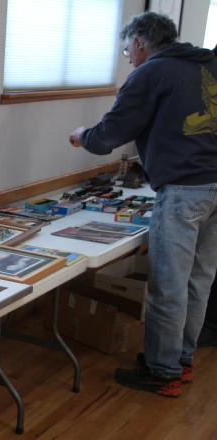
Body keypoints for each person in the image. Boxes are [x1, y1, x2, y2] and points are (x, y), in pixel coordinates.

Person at [69, 12, 217, 397]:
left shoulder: (151, 72)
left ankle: (162, 372)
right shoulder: (207, 64)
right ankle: (181, 360)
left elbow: (111, 133)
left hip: (183, 190)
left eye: (126, 51)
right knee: (198, 281)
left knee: (169, 285)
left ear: (139, 43)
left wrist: (83, 135)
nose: (128, 58)